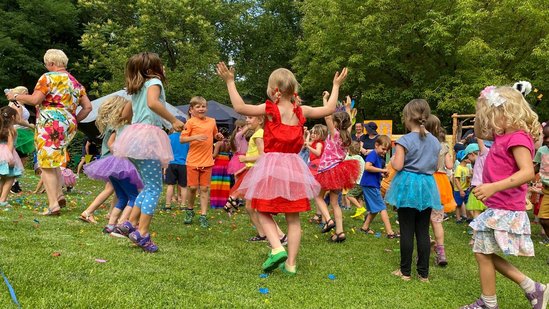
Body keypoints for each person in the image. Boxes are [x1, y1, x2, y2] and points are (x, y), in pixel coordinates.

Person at [217, 62, 347, 275]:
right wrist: (336, 85)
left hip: (271, 165)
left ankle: (277, 248)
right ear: (293, 88)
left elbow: (240, 107)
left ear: (272, 88)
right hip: (294, 166)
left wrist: (230, 82)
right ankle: (291, 265)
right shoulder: (301, 111)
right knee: (293, 218)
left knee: (262, 209)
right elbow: (329, 109)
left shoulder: (269, 109)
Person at [461, 86, 548, 309]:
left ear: (507, 111)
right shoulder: (502, 135)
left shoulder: (518, 137)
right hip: (499, 205)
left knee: (482, 251)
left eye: (492, 115)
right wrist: (482, 104)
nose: (489, 122)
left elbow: (527, 172)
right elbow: (480, 132)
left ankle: (490, 303)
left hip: (507, 206)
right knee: (483, 251)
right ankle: (532, 289)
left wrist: (492, 187)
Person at [5, 49, 92, 215]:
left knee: (45, 163)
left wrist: (15, 96)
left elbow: (35, 100)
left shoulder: (47, 77)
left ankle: (53, 205)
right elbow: (88, 107)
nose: (46, 66)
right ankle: (59, 195)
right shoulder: (76, 83)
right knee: (55, 160)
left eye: (46, 64)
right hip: (68, 123)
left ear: (51, 63)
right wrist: (73, 120)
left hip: (50, 122)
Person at [112, 52, 184, 252]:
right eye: (161, 65)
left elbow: (125, 114)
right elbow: (153, 103)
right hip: (147, 138)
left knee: (147, 186)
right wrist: (173, 120)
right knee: (154, 188)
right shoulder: (154, 82)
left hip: (133, 139)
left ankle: (130, 223)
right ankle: (142, 233)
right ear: (152, 70)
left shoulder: (136, 89)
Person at [385, 99, 441, 282]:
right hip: (426, 185)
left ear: (408, 117)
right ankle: (423, 274)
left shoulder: (404, 140)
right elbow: (435, 166)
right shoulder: (435, 142)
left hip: (407, 185)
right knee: (423, 231)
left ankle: (405, 272)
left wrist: (393, 160)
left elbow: (398, 165)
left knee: (407, 230)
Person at [83, 96, 142, 234]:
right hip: (123, 165)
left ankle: (111, 224)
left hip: (111, 163)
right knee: (134, 197)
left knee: (122, 196)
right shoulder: (128, 128)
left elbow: (110, 144)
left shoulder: (115, 127)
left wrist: (116, 152)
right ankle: (121, 224)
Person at [314, 111, 359, 243]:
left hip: (328, 170)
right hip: (339, 172)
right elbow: (347, 119)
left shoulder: (335, 134)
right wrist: (348, 107)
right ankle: (340, 232)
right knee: (335, 203)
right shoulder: (347, 136)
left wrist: (325, 100)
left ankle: (328, 220)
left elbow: (327, 115)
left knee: (318, 196)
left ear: (335, 123)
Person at [179, 97, 223, 228]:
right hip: (192, 161)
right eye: (198, 107)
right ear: (191, 110)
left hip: (207, 160)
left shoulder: (212, 121)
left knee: (204, 188)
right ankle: (190, 210)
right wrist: (195, 137)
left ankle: (203, 215)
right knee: (192, 188)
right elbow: (182, 139)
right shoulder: (190, 122)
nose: (201, 109)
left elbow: (215, 134)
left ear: (206, 108)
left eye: (203, 106)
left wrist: (218, 136)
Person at [425, 115, 455, 267]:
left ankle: (425, 248)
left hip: (427, 181)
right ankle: (441, 253)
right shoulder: (444, 145)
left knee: (423, 218)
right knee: (437, 221)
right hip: (441, 183)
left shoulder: (424, 143)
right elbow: (449, 166)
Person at [359, 135, 399, 238]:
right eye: (383, 149)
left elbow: (373, 170)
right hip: (370, 184)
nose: (385, 152)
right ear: (376, 145)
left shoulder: (377, 156)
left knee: (375, 208)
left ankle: (365, 227)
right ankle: (390, 232)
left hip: (371, 184)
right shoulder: (372, 154)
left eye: (387, 150)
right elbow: (367, 167)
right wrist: (382, 170)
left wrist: (381, 174)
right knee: (382, 207)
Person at [6, 86, 35, 193]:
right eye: (26, 93)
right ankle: (13, 183)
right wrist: (31, 125)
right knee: (17, 159)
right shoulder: (16, 104)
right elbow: (18, 120)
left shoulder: (19, 104)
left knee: (21, 159)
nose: (28, 95)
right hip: (18, 133)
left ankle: (14, 182)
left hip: (23, 133)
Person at [163, 116, 189, 211]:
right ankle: (183, 205)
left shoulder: (169, 138)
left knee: (170, 185)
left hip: (171, 163)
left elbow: (165, 151)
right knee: (183, 186)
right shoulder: (187, 138)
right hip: (183, 164)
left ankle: (168, 205)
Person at [0, 107, 23, 206]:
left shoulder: (1, 128)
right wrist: (10, 158)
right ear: (13, 117)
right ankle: (3, 200)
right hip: (7, 154)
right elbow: (10, 145)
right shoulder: (11, 130)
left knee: (2, 177)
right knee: (10, 177)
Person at [305, 123, 328, 223]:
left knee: (318, 195)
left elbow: (318, 153)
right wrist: (307, 134)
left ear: (321, 134)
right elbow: (305, 143)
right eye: (312, 132)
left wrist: (309, 147)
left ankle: (320, 216)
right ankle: (319, 215)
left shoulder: (319, 143)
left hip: (317, 167)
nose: (313, 135)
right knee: (318, 195)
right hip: (314, 166)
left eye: (315, 133)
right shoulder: (314, 142)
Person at [210, 127, 232, 209]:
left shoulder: (219, 143)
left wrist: (207, 155)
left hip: (218, 163)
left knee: (216, 183)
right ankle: (223, 202)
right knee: (225, 183)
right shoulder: (229, 143)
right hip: (227, 162)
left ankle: (215, 203)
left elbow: (214, 155)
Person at [454, 149, 472, 223]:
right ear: (464, 159)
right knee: (458, 204)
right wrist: (460, 190)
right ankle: (458, 218)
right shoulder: (459, 168)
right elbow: (456, 180)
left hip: (466, 189)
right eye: (468, 157)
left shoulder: (467, 168)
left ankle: (469, 217)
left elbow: (467, 179)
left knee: (467, 204)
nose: (470, 159)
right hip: (459, 190)